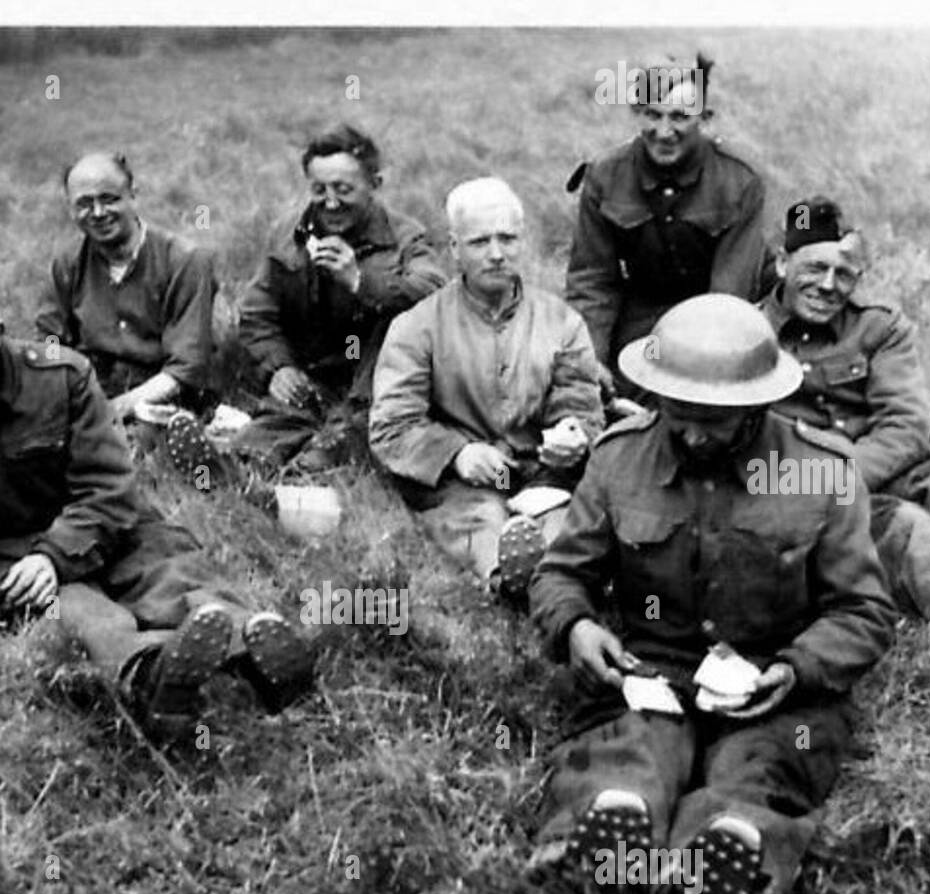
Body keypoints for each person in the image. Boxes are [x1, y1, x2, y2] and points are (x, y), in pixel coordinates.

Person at [528, 294, 896, 894]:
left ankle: (723, 859)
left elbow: (863, 610)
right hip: (651, 673)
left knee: (761, 767)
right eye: (681, 416)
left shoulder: (822, 470)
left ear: (757, 404)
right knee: (630, 749)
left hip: (775, 681)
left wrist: (795, 668)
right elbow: (562, 573)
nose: (695, 436)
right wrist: (576, 627)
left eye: (717, 423)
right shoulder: (618, 459)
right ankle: (608, 830)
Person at [0, 259, 313, 743]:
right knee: (80, 611)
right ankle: (154, 674)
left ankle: (256, 647)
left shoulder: (61, 379)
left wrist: (55, 552)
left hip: (99, 526)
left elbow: (110, 486)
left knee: (168, 573)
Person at [760, 195, 930, 644]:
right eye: (814, 268)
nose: (828, 285)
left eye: (844, 274)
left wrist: (847, 472)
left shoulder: (880, 327)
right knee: (901, 524)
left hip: (883, 462)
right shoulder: (748, 332)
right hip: (806, 479)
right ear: (783, 263)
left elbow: (904, 424)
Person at [370, 178, 603, 599]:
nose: (496, 254)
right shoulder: (417, 326)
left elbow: (580, 400)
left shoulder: (562, 321)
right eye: (479, 242)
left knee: (559, 515)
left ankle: (556, 576)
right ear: (454, 248)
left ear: (523, 241)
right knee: (477, 519)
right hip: (461, 481)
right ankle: (506, 579)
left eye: (507, 239)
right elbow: (392, 425)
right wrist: (457, 453)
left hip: (540, 471)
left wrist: (572, 433)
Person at [221, 124, 447, 476]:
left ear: (374, 185)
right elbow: (256, 313)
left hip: (375, 385)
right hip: (314, 378)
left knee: (341, 440)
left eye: (343, 189)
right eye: (318, 189)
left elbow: (435, 294)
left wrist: (360, 281)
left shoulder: (406, 237)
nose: (330, 202)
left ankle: (323, 458)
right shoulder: (289, 235)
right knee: (259, 441)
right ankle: (241, 469)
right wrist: (278, 367)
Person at [564, 51, 768, 396]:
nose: (664, 131)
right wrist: (590, 360)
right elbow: (593, 282)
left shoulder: (739, 181)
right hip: (640, 313)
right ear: (636, 113)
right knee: (606, 392)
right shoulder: (605, 175)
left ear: (704, 117)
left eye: (679, 117)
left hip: (717, 315)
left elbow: (728, 297)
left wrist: (690, 367)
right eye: (652, 114)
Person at [35, 150, 218, 462]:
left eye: (109, 199)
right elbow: (50, 340)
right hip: (91, 390)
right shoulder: (67, 263)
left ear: (133, 196)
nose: (97, 212)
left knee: (126, 456)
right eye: (83, 203)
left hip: (161, 396)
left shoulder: (185, 261)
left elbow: (187, 367)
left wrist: (116, 409)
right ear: (70, 208)